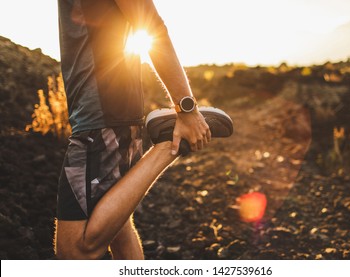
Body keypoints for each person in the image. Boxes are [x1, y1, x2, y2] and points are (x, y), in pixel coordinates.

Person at [55, 0, 232, 260]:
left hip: (102, 116)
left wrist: (186, 108)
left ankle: (166, 146)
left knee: (76, 251)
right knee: (119, 231)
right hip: (105, 114)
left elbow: (150, 23)